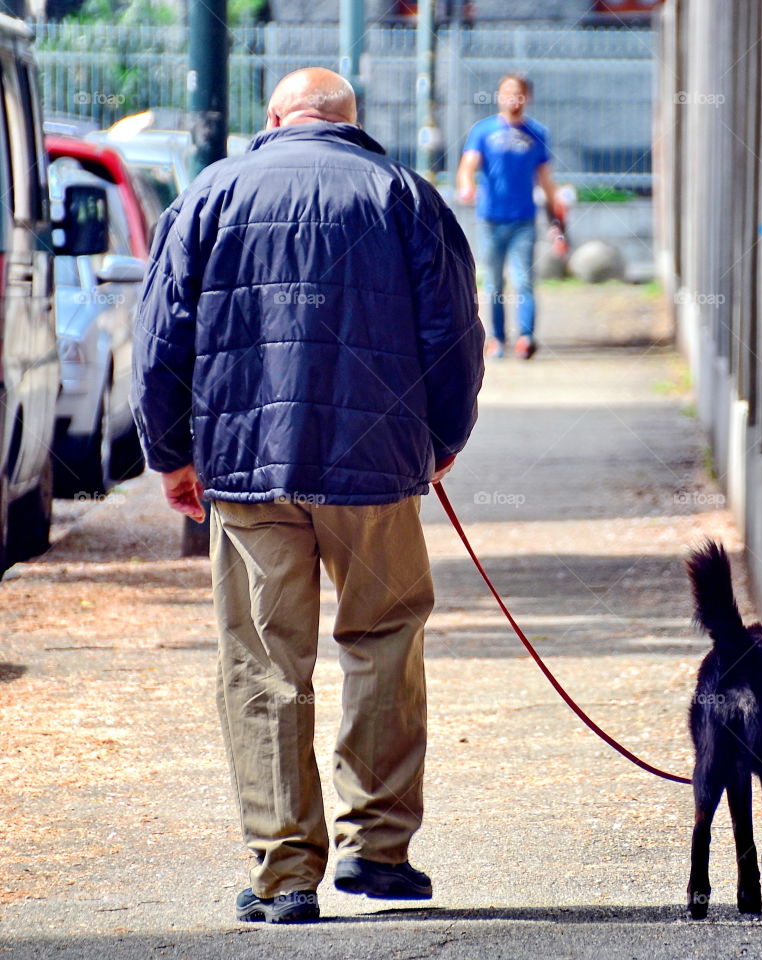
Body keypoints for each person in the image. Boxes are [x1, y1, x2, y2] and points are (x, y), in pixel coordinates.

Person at [132, 67, 484, 924]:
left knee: (263, 663)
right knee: (385, 643)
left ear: (275, 119)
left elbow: (160, 334)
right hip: (374, 472)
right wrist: (439, 442)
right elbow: (455, 332)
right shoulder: (402, 194)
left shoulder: (211, 195)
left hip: (249, 471)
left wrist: (172, 454)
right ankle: (380, 851)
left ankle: (285, 872)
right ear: (350, 123)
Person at [457, 73, 565, 360]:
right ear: (499, 96)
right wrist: (467, 186)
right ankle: (497, 339)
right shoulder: (483, 131)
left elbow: (546, 179)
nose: (512, 98)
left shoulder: (537, 134)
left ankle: (526, 338)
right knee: (492, 282)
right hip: (490, 219)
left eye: (518, 93)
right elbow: (468, 165)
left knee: (523, 280)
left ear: (526, 98)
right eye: (507, 92)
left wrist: (558, 218)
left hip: (524, 220)